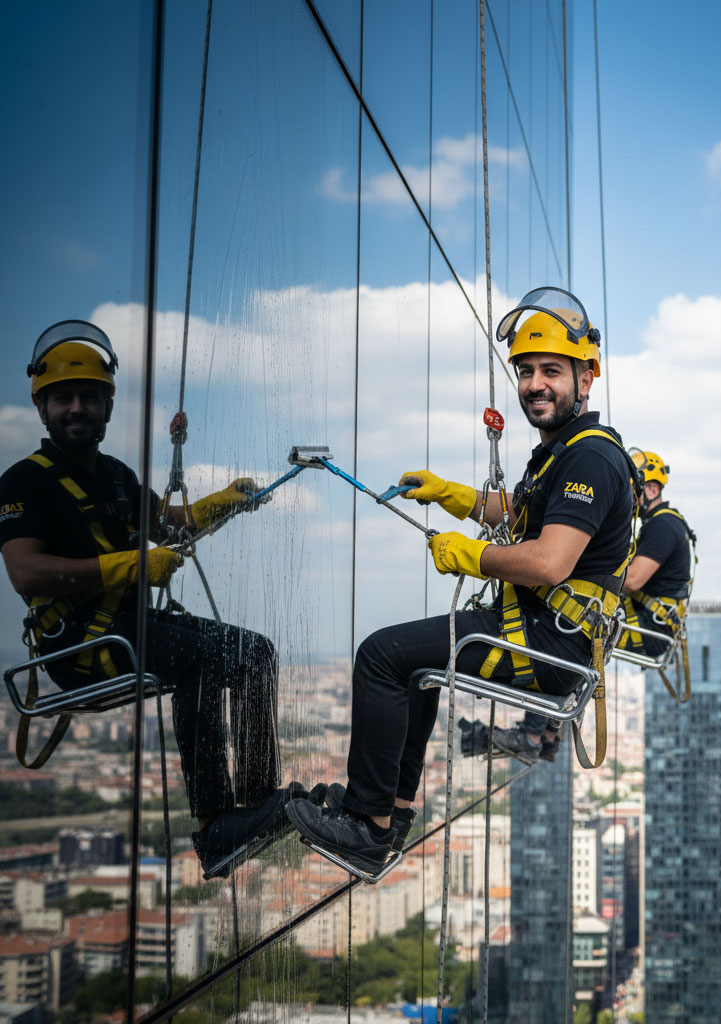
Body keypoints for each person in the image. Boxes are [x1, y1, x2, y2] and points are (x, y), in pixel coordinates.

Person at [287, 287, 639, 874]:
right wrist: (455, 496)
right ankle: (390, 814)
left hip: (547, 643)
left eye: (551, 371)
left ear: (587, 376)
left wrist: (471, 556)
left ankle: (367, 827)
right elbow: (527, 514)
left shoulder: (590, 458)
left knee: (380, 656)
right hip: (548, 633)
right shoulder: (566, 452)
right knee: (412, 668)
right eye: (525, 371)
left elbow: (550, 561)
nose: (534, 385)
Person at [0, 320, 310, 878]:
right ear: (42, 408)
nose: (77, 408)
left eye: (89, 397)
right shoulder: (23, 482)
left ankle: (257, 801)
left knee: (257, 651)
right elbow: (26, 573)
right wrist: (131, 565)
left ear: (107, 407)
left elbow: (170, 526)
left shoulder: (116, 478)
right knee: (203, 658)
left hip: (130, 628)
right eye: (64, 398)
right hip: (81, 645)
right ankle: (215, 827)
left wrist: (222, 502)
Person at [617, 449, 695, 660]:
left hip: (650, 626)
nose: (628, 499)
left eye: (633, 492)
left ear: (651, 489)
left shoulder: (663, 525)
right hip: (650, 621)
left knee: (572, 618)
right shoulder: (660, 523)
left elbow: (632, 580)